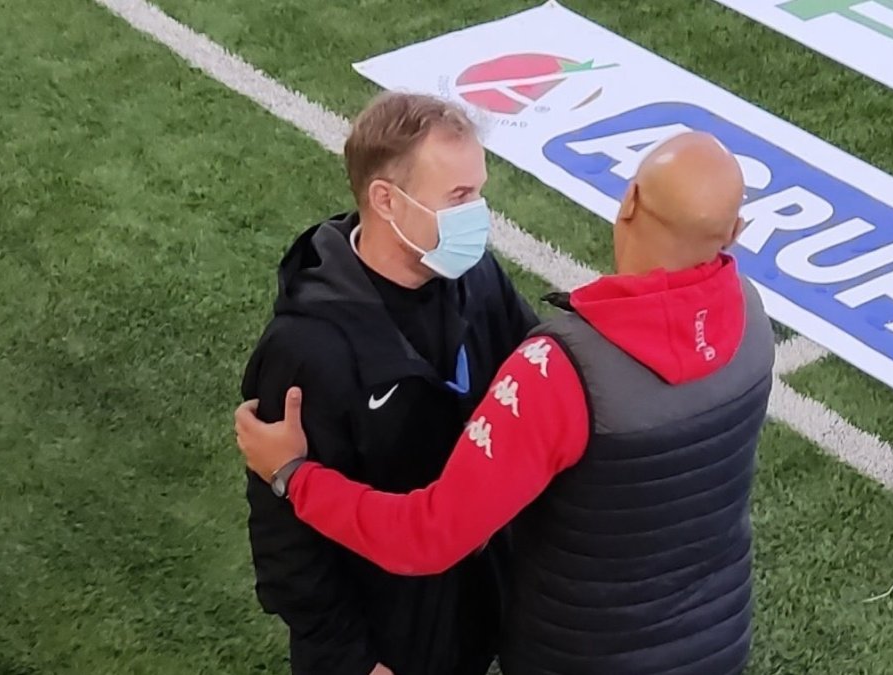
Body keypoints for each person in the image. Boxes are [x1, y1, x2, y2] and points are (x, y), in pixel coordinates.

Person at [236, 131, 777, 675]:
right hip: (715, 641)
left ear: (629, 199)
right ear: (735, 232)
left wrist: (293, 475)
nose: (477, 214)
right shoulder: (751, 320)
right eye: (460, 195)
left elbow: (430, 534)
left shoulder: (564, 373)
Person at [238, 91, 538, 675]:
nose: (477, 215)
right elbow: (283, 532)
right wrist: (352, 660)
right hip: (384, 637)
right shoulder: (306, 350)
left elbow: (535, 371)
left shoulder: (476, 277)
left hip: (475, 602)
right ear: (386, 200)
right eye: (459, 197)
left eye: (478, 191)